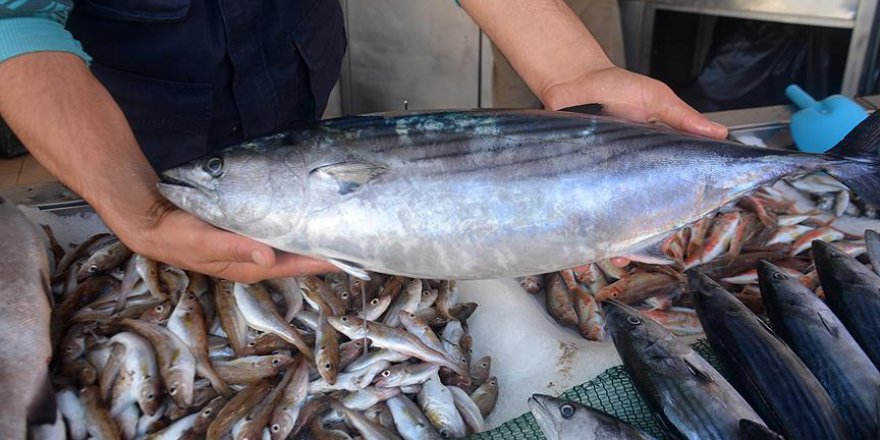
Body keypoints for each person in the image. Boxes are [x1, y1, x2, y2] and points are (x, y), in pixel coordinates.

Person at [0, 0, 728, 283]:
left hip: (293, 87)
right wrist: (133, 202)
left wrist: (573, 70)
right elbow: (14, 17)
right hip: (119, 121)